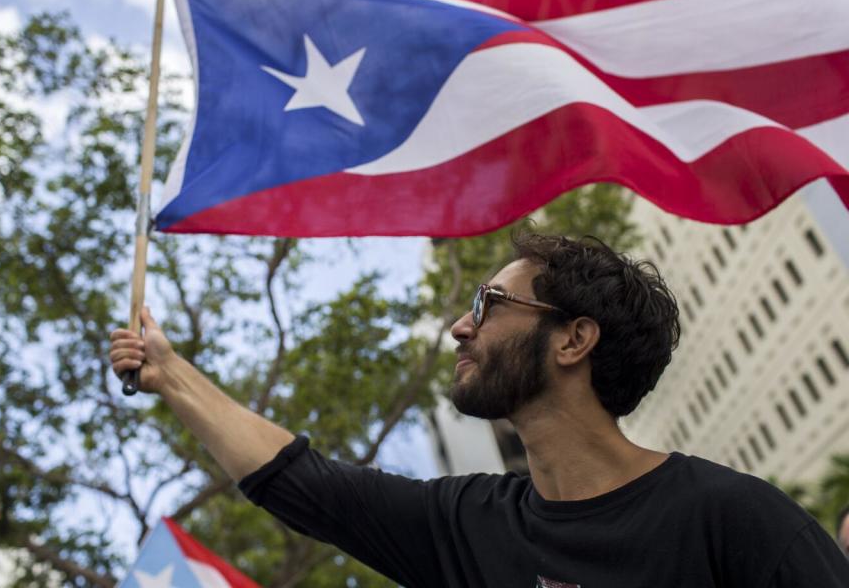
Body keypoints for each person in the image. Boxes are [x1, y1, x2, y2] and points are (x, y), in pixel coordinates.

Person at [109, 232, 849, 587]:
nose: (462, 327)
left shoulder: (734, 519)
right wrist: (172, 374)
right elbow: (304, 485)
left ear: (573, 341)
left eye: (488, 303)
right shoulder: (463, 525)